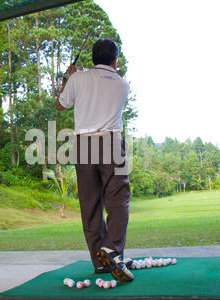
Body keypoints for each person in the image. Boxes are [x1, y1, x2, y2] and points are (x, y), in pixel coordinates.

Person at [56, 38, 134, 282]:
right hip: (111, 142)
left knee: (90, 204)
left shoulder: (79, 78)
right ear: (114, 60)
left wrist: (68, 79)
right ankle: (111, 250)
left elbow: (60, 105)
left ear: (92, 58)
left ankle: (100, 262)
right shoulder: (123, 84)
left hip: (83, 145)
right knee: (118, 199)